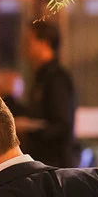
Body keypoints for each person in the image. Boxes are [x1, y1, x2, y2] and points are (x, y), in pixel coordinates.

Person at [16, 20, 76, 167]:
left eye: (29, 42)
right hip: (42, 162)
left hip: (54, 164)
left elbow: (61, 125)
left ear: (44, 43)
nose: (25, 48)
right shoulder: (41, 76)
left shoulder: (57, 77)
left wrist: (30, 127)